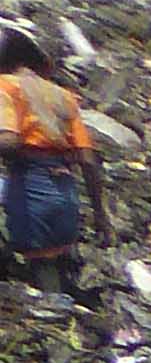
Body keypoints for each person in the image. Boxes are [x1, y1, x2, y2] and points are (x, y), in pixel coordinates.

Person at [0, 33, 99, 285]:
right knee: (55, 268)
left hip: (31, 191)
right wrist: (101, 216)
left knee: (39, 278)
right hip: (65, 193)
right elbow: (87, 159)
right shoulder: (64, 96)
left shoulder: (6, 87)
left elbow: (8, 142)